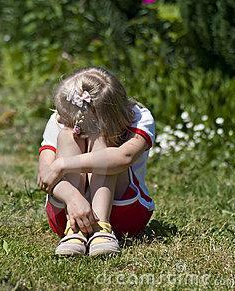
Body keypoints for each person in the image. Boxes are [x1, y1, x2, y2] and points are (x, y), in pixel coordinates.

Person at [37, 67, 155, 256]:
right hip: (68, 212)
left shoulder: (139, 116)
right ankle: (74, 232)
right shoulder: (61, 117)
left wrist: (62, 164)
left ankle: (102, 228)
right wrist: (74, 199)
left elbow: (124, 158)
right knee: (67, 137)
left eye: (70, 120)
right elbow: (45, 177)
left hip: (125, 213)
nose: (60, 119)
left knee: (104, 140)